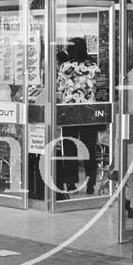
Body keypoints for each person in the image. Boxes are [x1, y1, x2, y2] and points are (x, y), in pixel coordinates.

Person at [56, 37, 99, 196]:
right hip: (89, 111)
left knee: (69, 147)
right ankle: (91, 182)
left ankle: (71, 182)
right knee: (89, 148)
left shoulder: (65, 66)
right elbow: (99, 87)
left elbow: (60, 88)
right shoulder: (93, 66)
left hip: (70, 111)